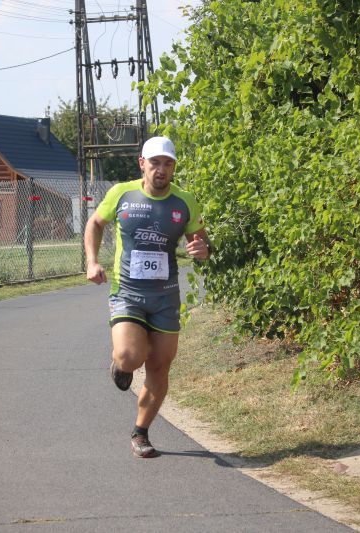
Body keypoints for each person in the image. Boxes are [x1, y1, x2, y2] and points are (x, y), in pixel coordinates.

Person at [84, 136, 211, 458]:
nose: (161, 170)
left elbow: (201, 241)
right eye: (155, 163)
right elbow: (95, 223)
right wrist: (92, 261)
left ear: (174, 167)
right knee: (130, 357)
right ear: (142, 164)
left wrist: (202, 249)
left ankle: (141, 432)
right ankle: (120, 363)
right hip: (128, 291)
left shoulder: (184, 201)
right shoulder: (121, 194)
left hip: (166, 296)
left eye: (168, 163)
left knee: (160, 366)